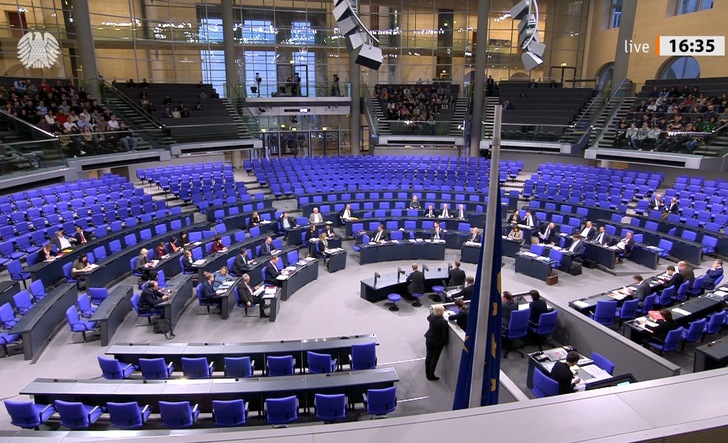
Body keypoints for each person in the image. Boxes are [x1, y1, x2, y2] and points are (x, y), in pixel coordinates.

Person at [424, 304, 449, 381]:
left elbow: (429, 317)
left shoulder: (431, 317)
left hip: (429, 339)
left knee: (428, 356)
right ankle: (431, 375)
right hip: (437, 342)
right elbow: (444, 335)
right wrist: (444, 342)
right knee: (434, 359)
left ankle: (427, 372)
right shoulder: (443, 322)